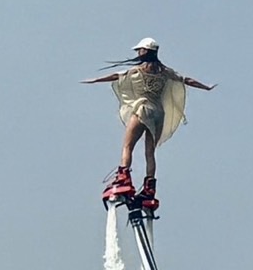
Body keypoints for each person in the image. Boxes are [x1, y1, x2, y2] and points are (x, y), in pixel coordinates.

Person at [82, 38, 215, 210]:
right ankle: (149, 188)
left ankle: (123, 178)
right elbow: (186, 80)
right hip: (159, 114)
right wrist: (206, 87)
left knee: (127, 146)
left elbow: (116, 76)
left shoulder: (137, 71)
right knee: (150, 152)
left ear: (145, 51)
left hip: (142, 109)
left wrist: (93, 80)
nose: (138, 53)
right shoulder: (165, 72)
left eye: (140, 50)